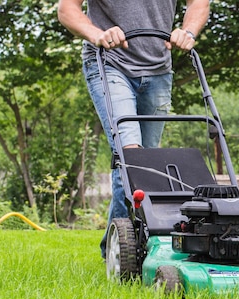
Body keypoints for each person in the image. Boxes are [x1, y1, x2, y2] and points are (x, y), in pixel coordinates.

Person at [58, 0, 210, 258]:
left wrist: (188, 32)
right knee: (131, 158)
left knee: (147, 165)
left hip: (159, 69)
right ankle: (125, 252)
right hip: (109, 62)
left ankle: (119, 243)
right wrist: (97, 34)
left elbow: (199, 2)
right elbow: (67, 9)